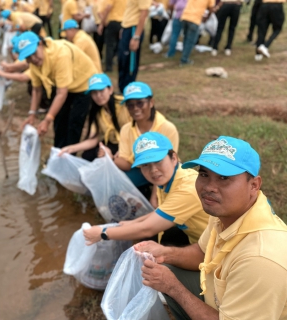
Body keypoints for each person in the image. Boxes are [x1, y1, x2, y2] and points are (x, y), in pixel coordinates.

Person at [136, 136, 287, 320]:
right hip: (223, 290)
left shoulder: (261, 259)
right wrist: (165, 253)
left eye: (224, 178)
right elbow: (202, 251)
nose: (209, 187)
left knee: (170, 279)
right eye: (204, 174)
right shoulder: (225, 213)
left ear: (254, 185)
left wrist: (173, 287)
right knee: (167, 267)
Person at [83, 132, 209, 246]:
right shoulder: (168, 179)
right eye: (145, 165)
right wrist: (133, 223)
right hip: (197, 238)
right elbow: (162, 210)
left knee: (155, 257)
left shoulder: (186, 188)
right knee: (145, 243)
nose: (153, 170)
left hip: (213, 249)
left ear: (174, 159)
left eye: (158, 161)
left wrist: (103, 233)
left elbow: (147, 229)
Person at [19, 31, 98, 148]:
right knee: (59, 120)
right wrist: (32, 114)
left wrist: (46, 120)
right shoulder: (34, 64)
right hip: (64, 84)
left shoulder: (60, 55)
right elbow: (37, 90)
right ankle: (58, 153)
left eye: (34, 53)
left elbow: (61, 93)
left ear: (40, 44)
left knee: (74, 123)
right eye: (28, 57)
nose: (33, 59)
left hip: (84, 83)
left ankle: (70, 155)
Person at [101, 82, 179, 184]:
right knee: (114, 180)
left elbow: (169, 165)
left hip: (165, 170)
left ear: (151, 102)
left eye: (140, 103)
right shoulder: (126, 129)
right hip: (141, 170)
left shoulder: (168, 128)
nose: (135, 108)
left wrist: (154, 199)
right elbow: (127, 164)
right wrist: (110, 157)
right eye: (130, 105)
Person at [59, 73, 131, 160]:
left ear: (110, 89)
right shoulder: (98, 112)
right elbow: (93, 139)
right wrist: (71, 148)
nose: (98, 96)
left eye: (101, 90)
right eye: (94, 93)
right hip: (113, 144)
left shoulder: (125, 106)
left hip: (131, 143)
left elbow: (137, 131)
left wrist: (124, 150)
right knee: (88, 155)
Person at [118, 0, 152, 92]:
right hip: (127, 27)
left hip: (133, 29)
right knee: (122, 61)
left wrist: (136, 36)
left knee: (129, 63)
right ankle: (122, 88)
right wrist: (123, 28)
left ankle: (128, 88)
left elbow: (144, 13)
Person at [179, 0, 215, 65]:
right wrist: (207, 17)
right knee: (191, 40)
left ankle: (184, 55)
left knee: (186, 38)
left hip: (185, 16)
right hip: (194, 19)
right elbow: (211, 8)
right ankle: (184, 59)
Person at [98, 0, 126, 72]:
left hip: (113, 21)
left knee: (109, 46)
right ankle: (122, 65)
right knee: (121, 45)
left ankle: (109, 67)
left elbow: (108, 8)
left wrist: (102, 23)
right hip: (123, 22)